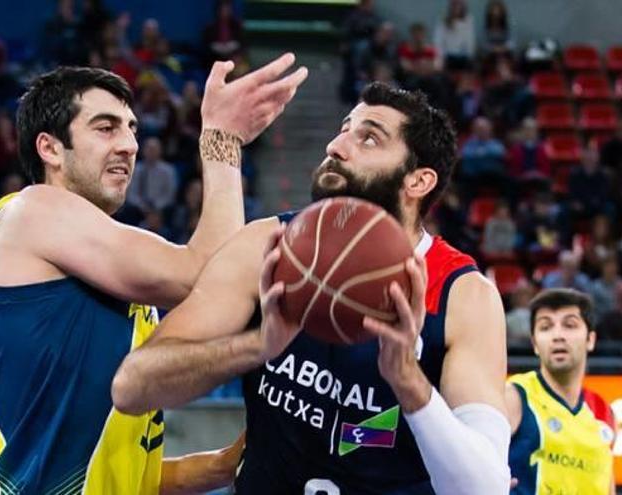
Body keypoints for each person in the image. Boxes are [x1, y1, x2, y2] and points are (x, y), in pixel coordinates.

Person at [113, 83, 511, 494]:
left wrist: (409, 382)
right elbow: (133, 387)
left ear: (418, 181)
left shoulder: (462, 296)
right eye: (344, 128)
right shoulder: (266, 245)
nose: (337, 145)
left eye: (368, 137)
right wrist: (258, 344)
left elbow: (486, 489)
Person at [0, 56, 307, 494]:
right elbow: (207, 275)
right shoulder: (31, 211)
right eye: (106, 127)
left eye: (132, 129)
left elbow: (115, 474)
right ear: (49, 148)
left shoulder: (104, 268)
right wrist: (222, 143)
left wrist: (217, 466)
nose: (129, 144)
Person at [506, 289, 615, 494]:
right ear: (535, 344)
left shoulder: (603, 412)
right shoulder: (515, 397)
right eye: (546, 327)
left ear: (590, 339)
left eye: (570, 325)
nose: (558, 336)